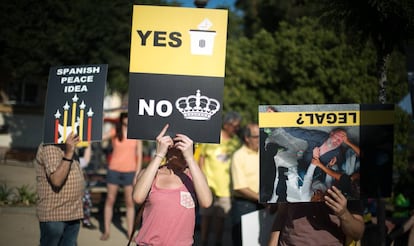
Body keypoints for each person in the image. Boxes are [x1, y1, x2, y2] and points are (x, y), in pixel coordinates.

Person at [132, 124, 212, 245]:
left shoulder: (194, 177)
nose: (180, 152)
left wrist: (190, 158)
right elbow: (137, 197)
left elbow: (206, 202)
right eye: (176, 146)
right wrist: (159, 154)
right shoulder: (151, 174)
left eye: (185, 147)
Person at [266, 127, 350, 202]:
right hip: (318, 174)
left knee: (302, 174)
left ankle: (299, 159)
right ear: (331, 134)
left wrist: (315, 160)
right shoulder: (321, 138)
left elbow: (308, 178)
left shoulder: (306, 197)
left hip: (308, 177)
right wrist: (329, 166)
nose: (337, 141)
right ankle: (301, 157)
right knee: (332, 170)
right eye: (337, 137)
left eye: (341, 140)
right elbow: (301, 133)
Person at [198, 111, 242, 246]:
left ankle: (218, 242)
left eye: (238, 126)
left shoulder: (237, 143)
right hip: (209, 185)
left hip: (226, 188)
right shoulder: (212, 137)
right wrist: (201, 179)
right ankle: (203, 241)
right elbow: (201, 159)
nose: (237, 129)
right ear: (226, 125)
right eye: (235, 126)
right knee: (206, 216)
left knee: (221, 218)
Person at [267, 186, 365, 246]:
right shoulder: (294, 179)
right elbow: (281, 214)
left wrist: (343, 213)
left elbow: (357, 233)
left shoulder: (346, 190)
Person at [35, 133, 84, 246]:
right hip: (55, 215)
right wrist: (69, 153)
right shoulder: (49, 146)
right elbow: (56, 180)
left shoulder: (67, 145)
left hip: (73, 213)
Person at [100, 112, 143, 240]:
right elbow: (101, 137)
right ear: (122, 119)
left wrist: (137, 173)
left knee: (130, 203)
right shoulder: (115, 131)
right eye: (126, 116)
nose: (128, 118)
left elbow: (139, 155)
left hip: (129, 172)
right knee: (110, 200)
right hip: (114, 170)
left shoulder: (136, 133)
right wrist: (100, 120)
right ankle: (106, 231)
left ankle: (130, 233)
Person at [230, 123, 263, 246]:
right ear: (247, 138)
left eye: (261, 135)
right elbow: (239, 187)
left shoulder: (265, 153)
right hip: (245, 205)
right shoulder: (239, 156)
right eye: (256, 136)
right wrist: (261, 198)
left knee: (260, 240)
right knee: (243, 241)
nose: (260, 139)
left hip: (265, 204)